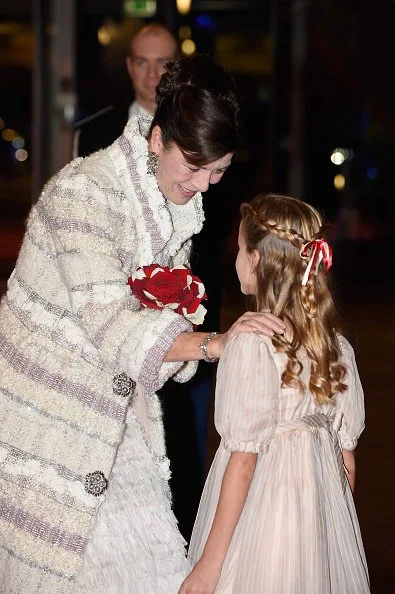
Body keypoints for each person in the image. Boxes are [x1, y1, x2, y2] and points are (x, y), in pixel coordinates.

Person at [0, 56, 285, 594]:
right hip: (43, 429)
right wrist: (212, 344)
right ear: (157, 140)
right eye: (195, 167)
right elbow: (112, 328)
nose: (203, 185)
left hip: (117, 421)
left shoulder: (174, 206)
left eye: (218, 172)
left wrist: (187, 346)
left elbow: (156, 342)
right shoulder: (84, 193)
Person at [180, 193, 370, 594]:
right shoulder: (336, 347)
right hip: (315, 525)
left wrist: (209, 566)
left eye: (240, 246)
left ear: (256, 260)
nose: (235, 256)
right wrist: (332, 539)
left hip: (263, 517)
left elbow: (244, 459)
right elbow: (345, 463)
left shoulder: (252, 344)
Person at [73, 22, 178, 158]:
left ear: (177, 67)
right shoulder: (91, 134)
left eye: (161, 63)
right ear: (130, 67)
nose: (152, 74)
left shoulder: (201, 128)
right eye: (142, 63)